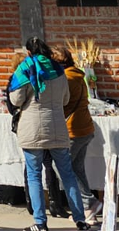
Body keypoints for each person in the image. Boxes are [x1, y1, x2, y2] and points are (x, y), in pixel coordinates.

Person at [8, 37, 90, 231]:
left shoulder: (25, 68)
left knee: (34, 175)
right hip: (57, 127)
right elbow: (65, 99)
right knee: (67, 174)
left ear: (29, 52)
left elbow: (17, 99)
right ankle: (80, 220)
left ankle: (40, 223)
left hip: (32, 128)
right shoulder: (58, 69)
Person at [47, 47, 100, 224]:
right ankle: (88, 210)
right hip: (85, 127)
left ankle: (89, 202)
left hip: (72, 130)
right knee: (77, 168)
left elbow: (60, 103)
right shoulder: (78, 75)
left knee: (62, 167)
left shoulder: (67, 78)